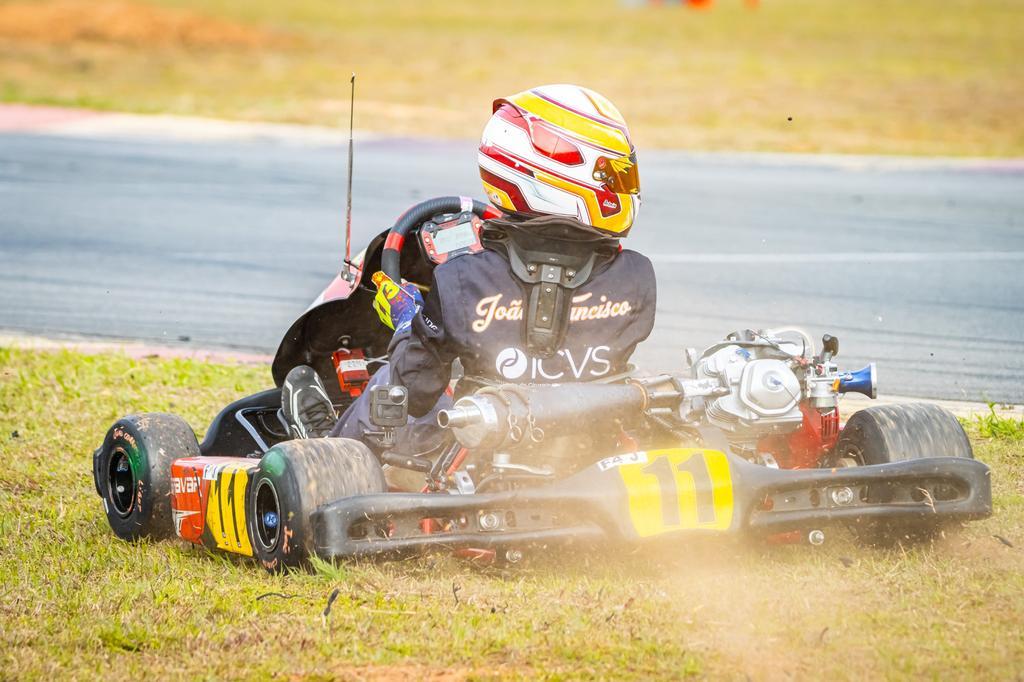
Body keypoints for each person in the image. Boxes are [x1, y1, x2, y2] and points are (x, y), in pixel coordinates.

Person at [281, 84, 655, 452]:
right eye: (615, 176)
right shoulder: (636, 277)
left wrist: (408, 325)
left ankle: (328, 448)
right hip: (588, 448)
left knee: (388, 386)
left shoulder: (462, 277)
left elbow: (415, 390)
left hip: (483, 457)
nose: (622, 187)